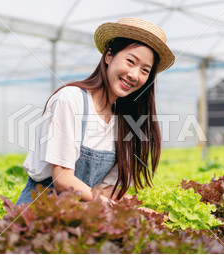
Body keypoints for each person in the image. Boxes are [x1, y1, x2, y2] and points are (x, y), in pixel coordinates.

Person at [16, 18, 175, 207]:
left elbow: (107, 192)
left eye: (145, 70)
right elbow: (63, 180)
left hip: (82, 216)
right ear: (109, 56)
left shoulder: (126, 122)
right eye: (130, 61)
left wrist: (135, 211)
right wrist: (121, 209)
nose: (134, 74)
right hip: (40, 213)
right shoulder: (71, 99)